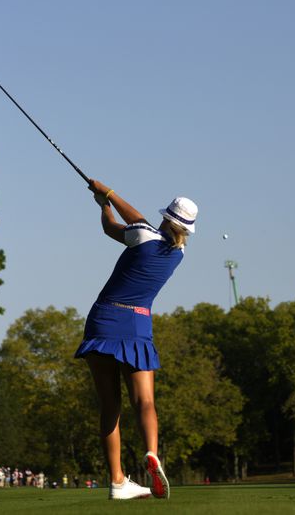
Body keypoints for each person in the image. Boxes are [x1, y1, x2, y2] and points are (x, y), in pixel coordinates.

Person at [74, 180, 198, 501]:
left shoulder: (143, 235)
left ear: (165, 216)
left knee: (109, 405)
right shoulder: (179, 253)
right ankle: (152, 452)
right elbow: (120, 226)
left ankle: (117, 481)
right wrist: (105, 201)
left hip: (104, 319)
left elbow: (116, 225)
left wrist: (106, 196)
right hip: (138, 324)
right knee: (144, 402)